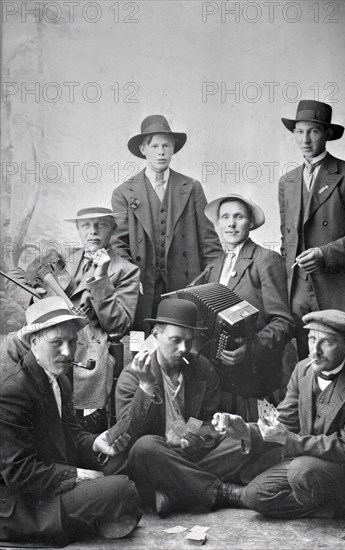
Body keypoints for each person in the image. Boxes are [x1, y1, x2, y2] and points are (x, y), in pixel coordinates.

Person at [213, 310, 345, 521]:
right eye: (312, 339)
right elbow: (284, 423)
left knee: (301, 471)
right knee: (254, 495)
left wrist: (289, 439)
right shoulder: (302, 370)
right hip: (304, 462)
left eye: (327, 342)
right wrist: (246, 431)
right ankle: (337, 509)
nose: (315, 351)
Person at [0, 297, 141, 546]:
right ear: (33, 342)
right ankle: (94, 518)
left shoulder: (60, 379)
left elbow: (71, 437)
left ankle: (95, 516)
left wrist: (97, 442)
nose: (67, 352)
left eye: (73, 342)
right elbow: (19, 473)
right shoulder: (13, 391)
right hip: (24, 502)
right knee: (123, 489)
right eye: (56, 343)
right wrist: (76, 474)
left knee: (126, 460)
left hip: (50, 477)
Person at [115, 298, 262, 516]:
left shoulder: (202, 368)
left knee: (248, 436)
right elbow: (127, 435)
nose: (183, 348)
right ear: (156, 335)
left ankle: (176, 492)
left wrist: (194, 434)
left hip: (192, 455)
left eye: (189, 341)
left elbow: (208, 420)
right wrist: (146, 387)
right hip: (157, 457)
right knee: (145, 446)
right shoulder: (132, 376)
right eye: (175, 340)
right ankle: (221, 491)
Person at [5, 207, 140, 431]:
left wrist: (101, 279)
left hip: (84, 336)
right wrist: (36, 296)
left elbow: (119, 324)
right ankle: (15, 412)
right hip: (46, 327)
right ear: (78, 229)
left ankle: (65, 423)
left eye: (101, 225)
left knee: (67, 356)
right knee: (10, 344)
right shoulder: (62, 258)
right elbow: (15, 277)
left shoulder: (126, 270)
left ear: (113, 229)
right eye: (86, 225)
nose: (93, 231)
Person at [279, 100, 345, 358]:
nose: (305, 139)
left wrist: (324, 254)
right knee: (309, 370)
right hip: (301, 294)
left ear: (327, 134)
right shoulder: (287, 181)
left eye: (313, 131)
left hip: (341, 291)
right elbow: (287, 239)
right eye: (299, 131)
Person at [111, 115, 222, 330]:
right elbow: (118, 245)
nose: (161, 152)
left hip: (184, 286)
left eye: (166, 145)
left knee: (182, 345)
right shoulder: (124, 192)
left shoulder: (191, 187)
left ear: (173, 149)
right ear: (143, 149)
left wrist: (209, 286)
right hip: (142, 287)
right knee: (142, 348)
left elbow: (210, 243)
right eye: (154, 146)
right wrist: (131, 280)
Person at [202, 194, 295, 419]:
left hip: (254, 376)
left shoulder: (266, 260)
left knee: (250, 441)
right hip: (217, 375)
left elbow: (284, 322)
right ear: (218, 224)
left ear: (250, 223)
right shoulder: (213, 267)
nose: (231, 223)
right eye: (225, 217)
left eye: (239, 216)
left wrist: (251, 349)